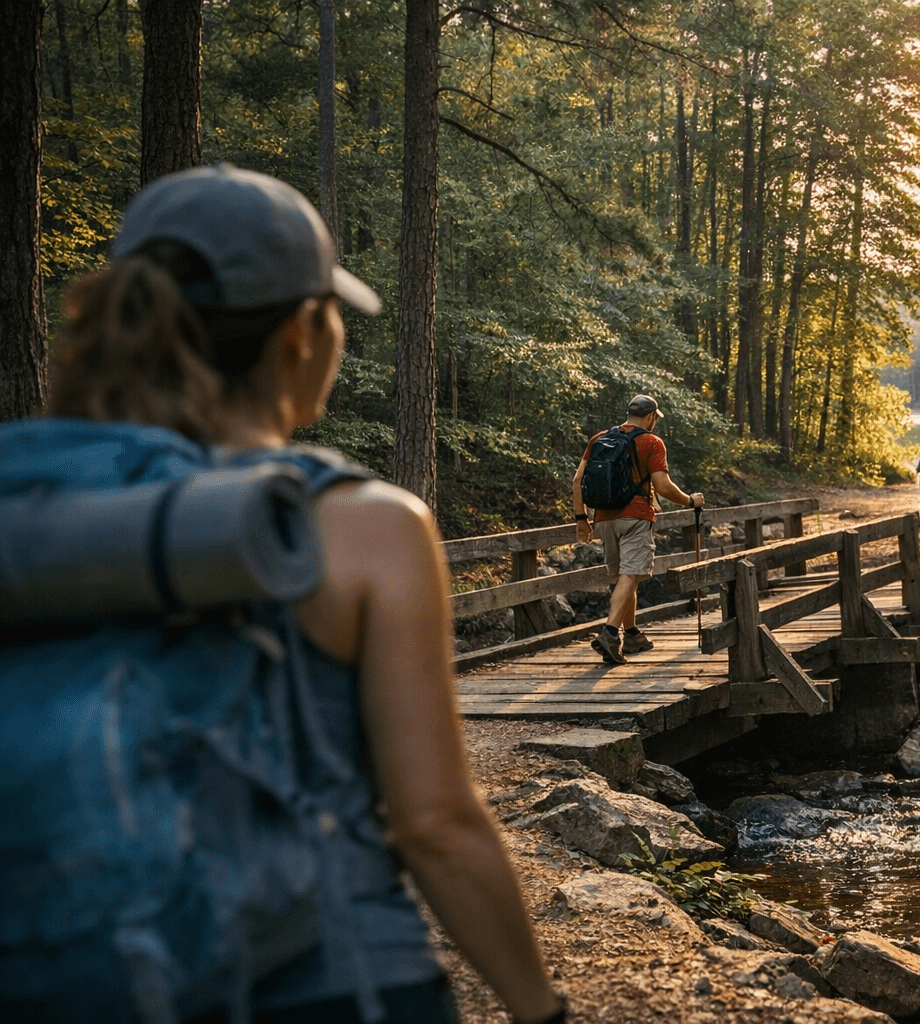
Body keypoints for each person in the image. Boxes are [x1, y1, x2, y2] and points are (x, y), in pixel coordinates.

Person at [0, 165, 564, 1024]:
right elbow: (435, 825)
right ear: (302, 331)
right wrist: (539, 1010)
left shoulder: (31, 512)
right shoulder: (363, 526)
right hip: (334, 978)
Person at [573, 395, 704, 665]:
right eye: (655, 418)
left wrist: (581, 519)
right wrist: (691, 501)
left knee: (625, 576)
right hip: (636, 516)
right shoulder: (651, 442)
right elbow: (664, 486)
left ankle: (632, 635)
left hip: (603, 518)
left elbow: (577, 480)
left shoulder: (599, 439)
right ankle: (610, 634)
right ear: (650, 417)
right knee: (631, 573)